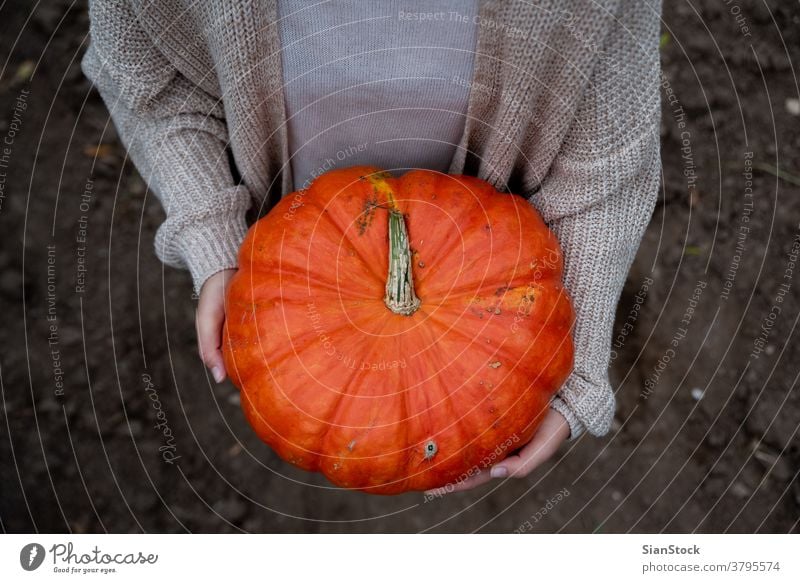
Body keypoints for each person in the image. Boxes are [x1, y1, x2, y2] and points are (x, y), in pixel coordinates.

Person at [82, 0, 662, 492]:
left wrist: (575, 359)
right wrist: (213, 232)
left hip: (491, 251)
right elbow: (152, 86)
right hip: (305, 243)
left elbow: (607, 148)